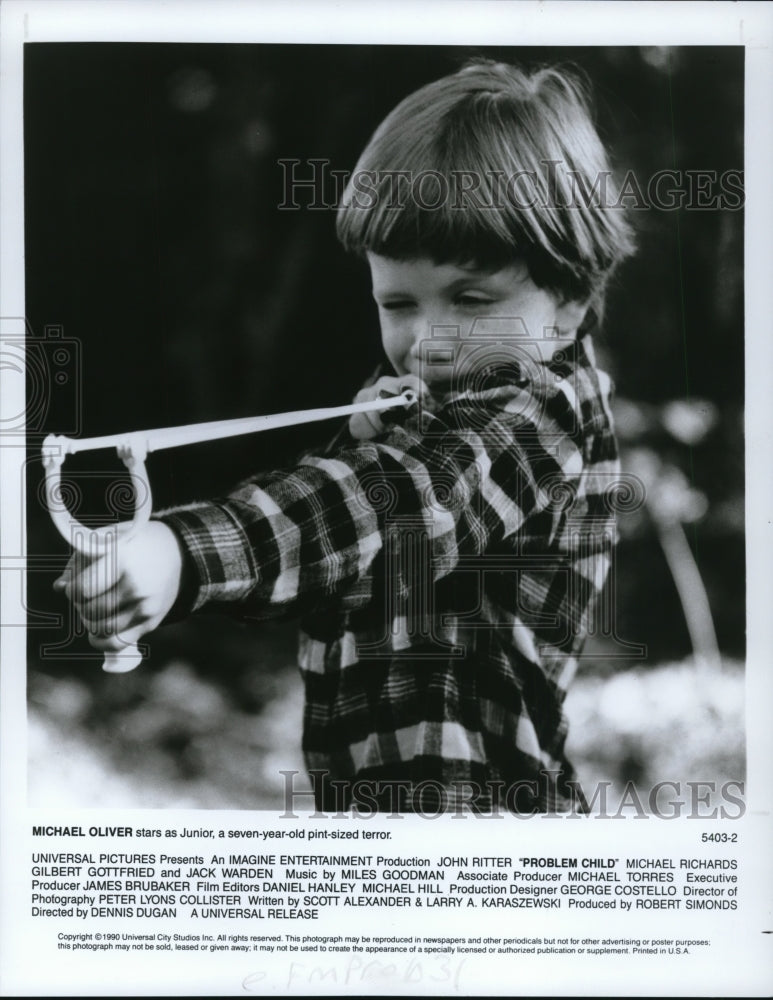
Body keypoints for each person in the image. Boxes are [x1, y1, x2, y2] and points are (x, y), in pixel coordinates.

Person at [56, 59, 635, 815]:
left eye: (469, 298)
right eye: (398, 303)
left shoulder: (543, 410)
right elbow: (319, 561)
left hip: (484, 847)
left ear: (568, 298)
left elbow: (399, 507)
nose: (428, 341)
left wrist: (180, 553)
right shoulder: (414, 418)